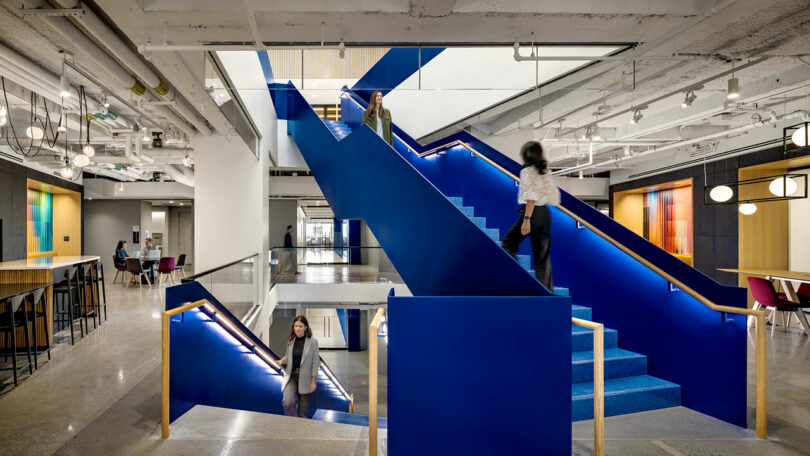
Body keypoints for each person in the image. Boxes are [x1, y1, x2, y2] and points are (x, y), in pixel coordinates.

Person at [501, 141, 560, 290]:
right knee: (543, 258)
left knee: (508, 244)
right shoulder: (544, 172)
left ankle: (518, 279)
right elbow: (554, 195)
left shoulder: (527, 172)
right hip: (545, 214)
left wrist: (527, 219)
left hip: (532, 213)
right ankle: (547, 293)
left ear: (526, 155)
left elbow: (531, 196)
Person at [279, 316, 319, 418]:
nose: (297, 328)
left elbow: (315, 361)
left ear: (305, 327)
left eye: (300, 326)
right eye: (296, 326)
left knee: (303, 410)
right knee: (287, 402)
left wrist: (313, 381)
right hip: (291, 376)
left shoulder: (313, 342)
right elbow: (288, 356)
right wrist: (281, 361)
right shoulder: (291, 340)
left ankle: (301, 429)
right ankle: (292, 424)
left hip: (306, 378)